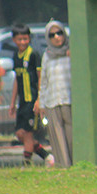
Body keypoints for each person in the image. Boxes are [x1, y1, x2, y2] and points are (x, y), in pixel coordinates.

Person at [8, 23, 54, 166]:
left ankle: (26, 164)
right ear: (14, 40)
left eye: (25, 39)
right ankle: (46, 156)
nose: (23, 42)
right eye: (20, 39)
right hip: (22, 101)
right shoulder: (16, 56)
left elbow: (41, 77)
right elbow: (17, 79)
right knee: (20, 134)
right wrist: (12, 102)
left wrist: (39, 99)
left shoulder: (33, 54)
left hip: (32, 99)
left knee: (28, 134)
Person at [35, 21, 73, 167]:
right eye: (52, 35)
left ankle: (76, 163)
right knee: (57, 136)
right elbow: (44, 81)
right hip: (52, 101)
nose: (56, 37)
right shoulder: (47, 55)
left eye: (59, 33)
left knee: (71, 135)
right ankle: (64, 166)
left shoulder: (71, 52)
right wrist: (41, 102)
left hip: (69, 99)